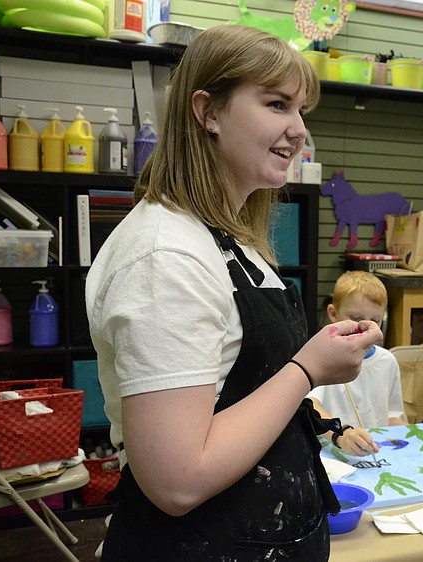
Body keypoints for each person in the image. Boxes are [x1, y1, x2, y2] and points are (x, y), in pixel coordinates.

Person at [85, 25, 384, 561]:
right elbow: (178, 480)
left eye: (301, 112)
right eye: (276, 104)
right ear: (209, 112)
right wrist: (308, 369)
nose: (298, 131)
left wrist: (313, 362)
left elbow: (246, 391)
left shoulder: (228, 240)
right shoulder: (166, 257)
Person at [308, 271, 406, 457]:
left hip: (375, 455)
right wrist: (341, 434)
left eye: (375, 320)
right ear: (333, 314)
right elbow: (312, 407)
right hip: (332, 456)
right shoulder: (323, 359)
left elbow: (391, 417)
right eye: (355, 318)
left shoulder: (388, 361)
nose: (365, 328)